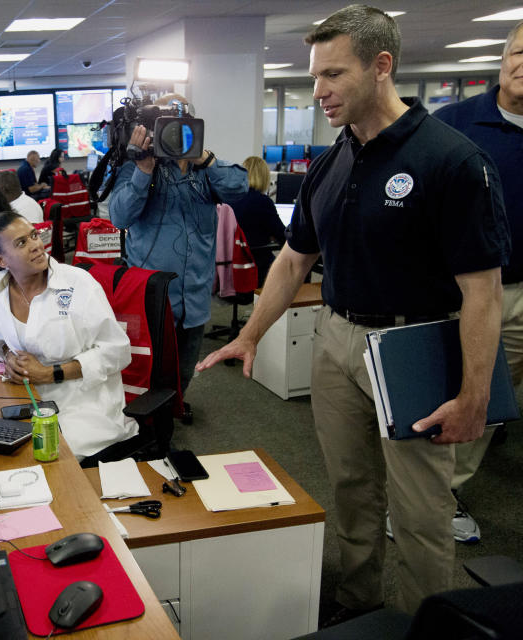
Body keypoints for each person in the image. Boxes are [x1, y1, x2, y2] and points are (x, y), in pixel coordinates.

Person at [198, 5, 509, 620]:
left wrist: (474, 395)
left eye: (333, 75)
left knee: (420, 509)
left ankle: (428, 620)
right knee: (350, 488)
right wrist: (250, 336)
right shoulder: (331, 162)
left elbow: (483, 290)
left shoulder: (451, 160)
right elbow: (292, 261)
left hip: (414, 347)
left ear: (381, 67)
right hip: (336, 340)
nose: (319, 92)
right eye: (315, 77)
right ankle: (361, 604)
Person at [425, 20, 523, 546]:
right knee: (475, 395)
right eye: (519, 52)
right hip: (477, 292)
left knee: (499, 400)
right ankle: (440, 498)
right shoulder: (457, 123)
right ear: (503, 59)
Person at [109, 94, 247, 412]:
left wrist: (205, 159)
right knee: (146, 372)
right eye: (166, 127)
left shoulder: (206, 173)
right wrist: (144, 170)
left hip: (195, 298)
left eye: (181, 127)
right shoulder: (138, 168)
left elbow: (239, 187)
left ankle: (172, 410)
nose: (174, 134)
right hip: (152, 298)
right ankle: (148, 427)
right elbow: (119, 216)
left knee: (183, 374)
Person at [0, 210, 137, 460]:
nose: (36, 246)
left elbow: (118, 352)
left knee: (41, 458)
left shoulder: (79, 284)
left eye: (34, 235)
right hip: (26, 398)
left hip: (82, 406)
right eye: (21, 243)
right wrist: (8, 356)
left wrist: (51, 373)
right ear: (1, 261)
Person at [234, 156, 287, 287]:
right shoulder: (262, 201)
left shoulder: (230, 197)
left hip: (232, 263)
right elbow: (283, 236)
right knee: (292, 266)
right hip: (255, 263)